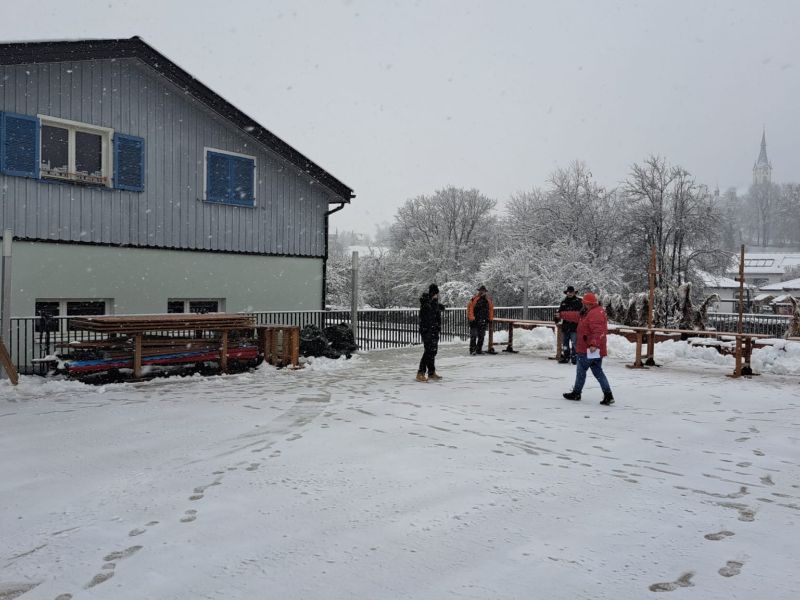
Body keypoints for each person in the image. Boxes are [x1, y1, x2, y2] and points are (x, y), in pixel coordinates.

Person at [563, 292, 615, 405]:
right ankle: (608, 395)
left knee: (581, 372)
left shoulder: (595, 313)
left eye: (585, 303)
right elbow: (576, 316)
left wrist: (593, 344)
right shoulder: (589, 312)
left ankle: (576, 393)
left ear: (589, 304)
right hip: (592, 349)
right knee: (598, 372)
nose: (583, 305)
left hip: (588, 349)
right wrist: (563, 314)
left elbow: (599, 331)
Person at [417, 283, 445, 382]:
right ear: (433, 293)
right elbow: (425, 317)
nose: (437, 296)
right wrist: (427, 329)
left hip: (434, 330)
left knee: (433, 351)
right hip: (427, 330)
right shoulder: (426, 303)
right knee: (428, 352)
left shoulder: (434, 303)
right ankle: (420, 372)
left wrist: (439, 307)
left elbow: (435, 314)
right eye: (436, 293)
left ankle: (431, 372)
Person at [555, 285, 582, 364]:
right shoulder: (563, 302)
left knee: (575, 343)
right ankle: (566, 357)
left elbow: (580, 314)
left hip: (575, 326)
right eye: (568, 292)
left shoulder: (579, 302)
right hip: (566, 326)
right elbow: (559, 313)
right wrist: (556, 320)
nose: (569, 294)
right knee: (565, 343)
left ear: (574, 293)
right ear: (566, 293)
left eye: (571, 292)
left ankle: (574, 357)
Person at [467, 285, 495, 355]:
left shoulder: (488, 300)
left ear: (485, 292)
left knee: (481, 336)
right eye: (481, 291)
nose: (482, 292)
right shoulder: (474, 299)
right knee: (473, 335)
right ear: (479, 291)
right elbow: (470, 309)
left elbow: (491, 310)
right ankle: (472, 350)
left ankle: (479, 349)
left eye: (483, 291)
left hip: (483, 320)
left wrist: (490, 319)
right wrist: (471, 318)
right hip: (474, 320)